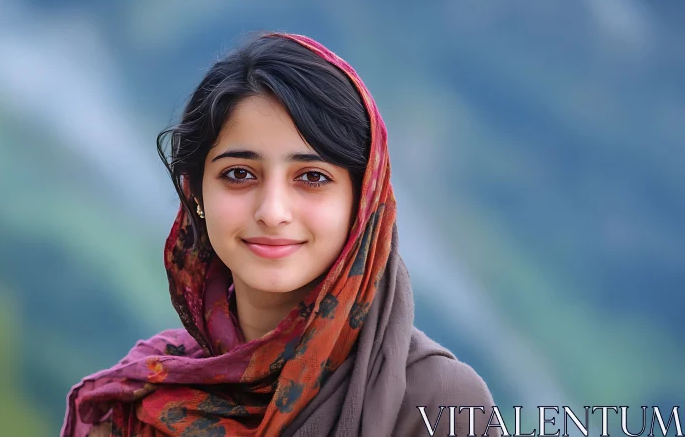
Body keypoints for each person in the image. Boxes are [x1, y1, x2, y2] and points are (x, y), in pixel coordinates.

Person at [61, 32, 497, 437]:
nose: (272, 212)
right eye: (239, 174)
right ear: (195, 193)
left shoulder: (442, 403)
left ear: (362, 202)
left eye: (311, 177)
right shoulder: (141, 398)